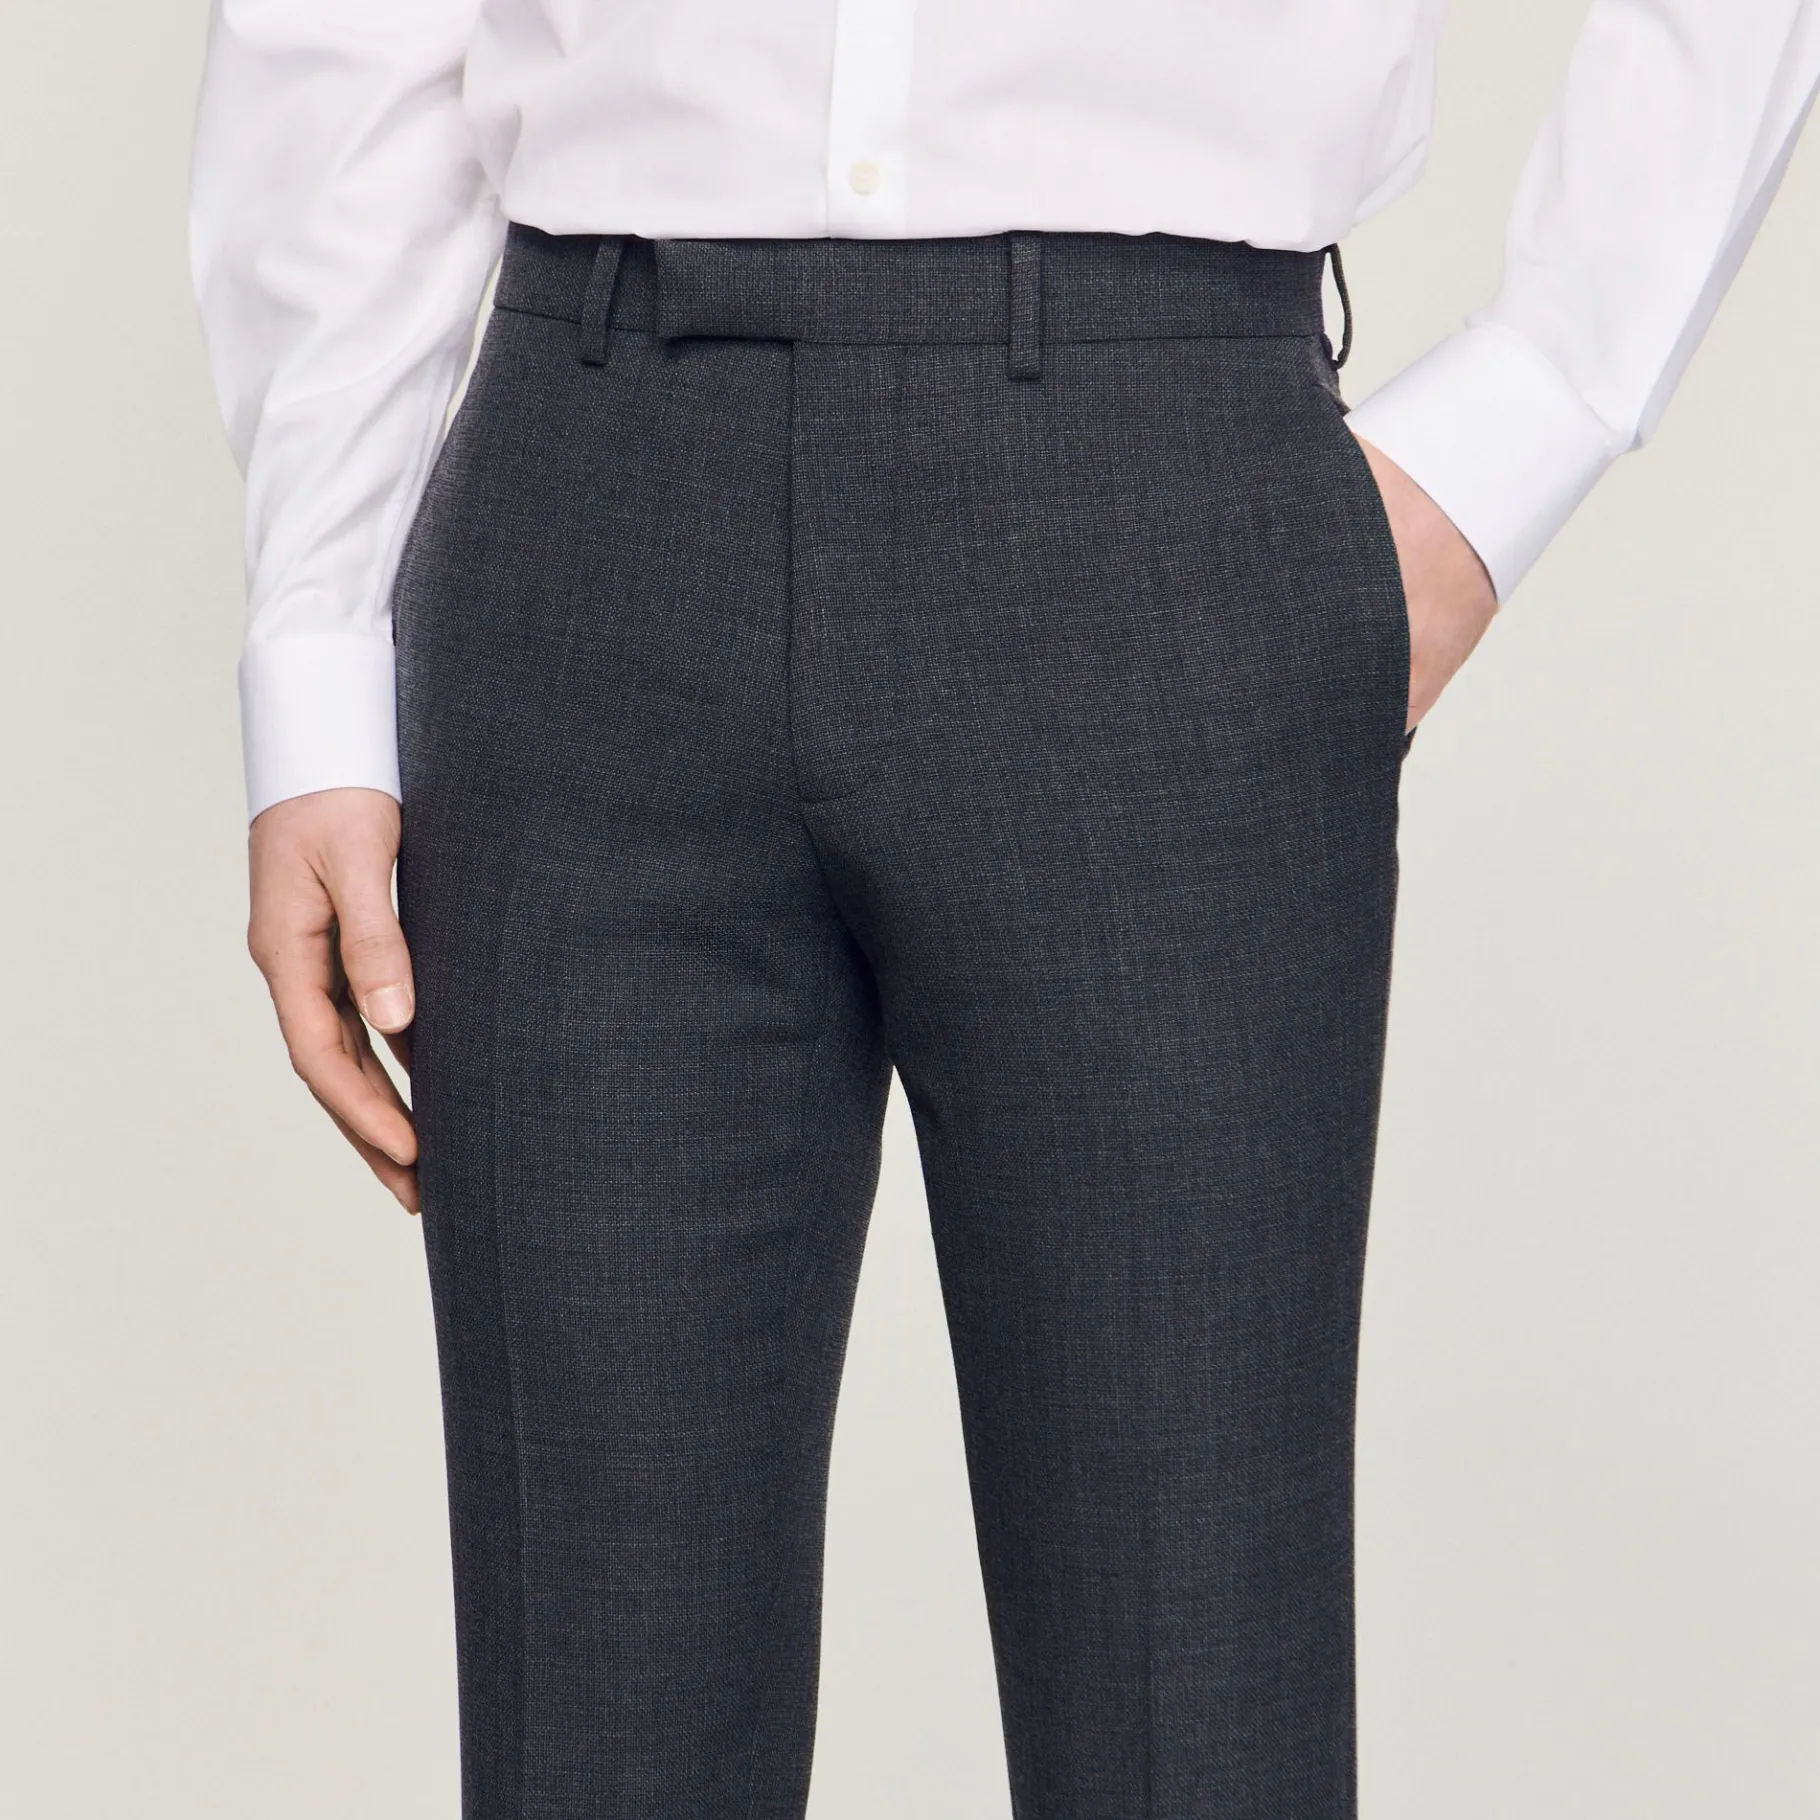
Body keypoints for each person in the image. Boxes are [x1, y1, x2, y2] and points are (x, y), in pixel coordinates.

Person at [189, 3, 1819, 1814]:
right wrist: (317, 627)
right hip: (587, 505)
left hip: (1159, 490)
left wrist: (1543, 396)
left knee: (1194, 1719)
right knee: (596, 1735)